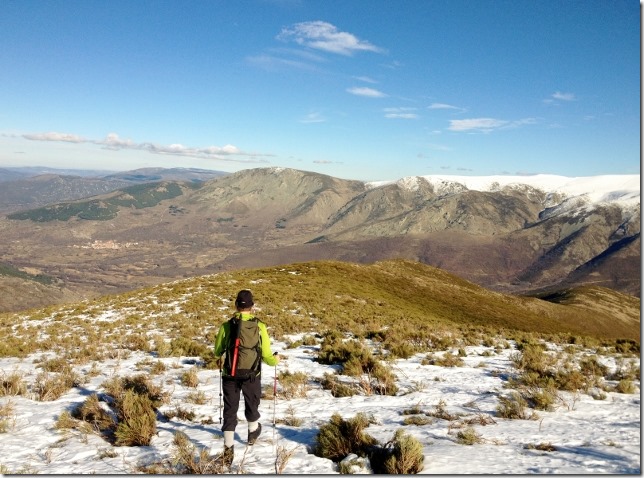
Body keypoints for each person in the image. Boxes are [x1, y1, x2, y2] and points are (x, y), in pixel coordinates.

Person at [213, 289, 280, 467]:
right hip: (252, 374)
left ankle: (228, 450)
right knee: (252, 403)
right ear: (253, 307)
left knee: (230, 410)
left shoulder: (226, 326)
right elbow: (266, 355)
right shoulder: (260, 326)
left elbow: (217, 351)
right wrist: (275, 360)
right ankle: (252, 432)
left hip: (230, 374)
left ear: (236, 305)